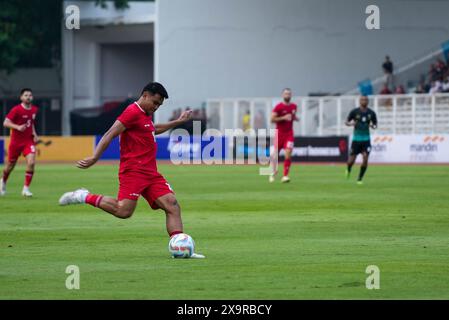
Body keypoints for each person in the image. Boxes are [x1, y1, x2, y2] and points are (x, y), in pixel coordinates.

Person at [58, 82, 205, 258]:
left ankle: (181, 249)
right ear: (145, 95)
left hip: (151, 173)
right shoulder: (132, 112)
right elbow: (110, 133)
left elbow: (153, 129)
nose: (156, 107)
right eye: (155, 102)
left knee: (172, 205)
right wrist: (95, 157)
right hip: (133, 171)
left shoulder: (146, 114)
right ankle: (83, 196)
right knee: (123, 211)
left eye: (159, 105)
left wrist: (178, 122)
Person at [1, 88, 39, 197]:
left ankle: (26, 189)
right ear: (21, 97)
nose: (28, 97)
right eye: (26, 95)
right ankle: (3, 181)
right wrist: (17, 127)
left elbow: (30, 123)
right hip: (16, 142)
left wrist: (34, 134)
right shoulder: (16, 110)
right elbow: (5, 123)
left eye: (30, 95)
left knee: (31, 162)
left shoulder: (34, 110)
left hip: (28, 141)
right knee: (10, 166)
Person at [345, 96, 378, 185]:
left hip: (366, 140)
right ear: (360, 101)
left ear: (368, 101)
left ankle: (360, 178)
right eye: (362, 99)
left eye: (366, 100)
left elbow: (375, 125)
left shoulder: (371, 113)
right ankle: (348, 169)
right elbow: (346, 122)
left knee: (365, 158)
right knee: (351, 161)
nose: (364, 101)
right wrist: (351, 123)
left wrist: (372, 126)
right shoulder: (354, 112)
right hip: (356, 140)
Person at [269, 88, 299, 183]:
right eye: (286, 94)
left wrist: (295, 118)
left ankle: (285, 176)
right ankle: (272, 173)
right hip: (279, 134)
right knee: (275, 155)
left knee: (288, 153)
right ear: (282, 95)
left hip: (289, 134)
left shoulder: (294, 106)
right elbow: (272, 120)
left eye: (289, 94)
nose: (287, 95)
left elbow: (292, 116)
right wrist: (283, 117)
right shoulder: (278, 107)